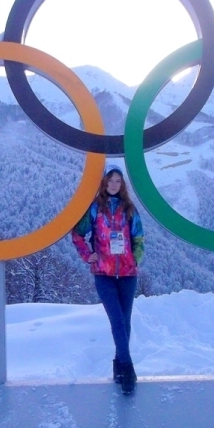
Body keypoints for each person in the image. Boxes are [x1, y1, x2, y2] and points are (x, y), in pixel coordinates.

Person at [72, 163, 144, 395]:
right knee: (117, 320)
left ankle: (118, 365)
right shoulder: (95, 208)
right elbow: (78, 234)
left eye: (118, 181)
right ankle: (128, 368)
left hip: (127, 274)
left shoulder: (129, 209)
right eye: (110, 180)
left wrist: (134, 260)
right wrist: (88, 255)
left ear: (122, 185)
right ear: (104, 182)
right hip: (103, 273)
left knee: (125, 319)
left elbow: (139, 239)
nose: (114, 185)